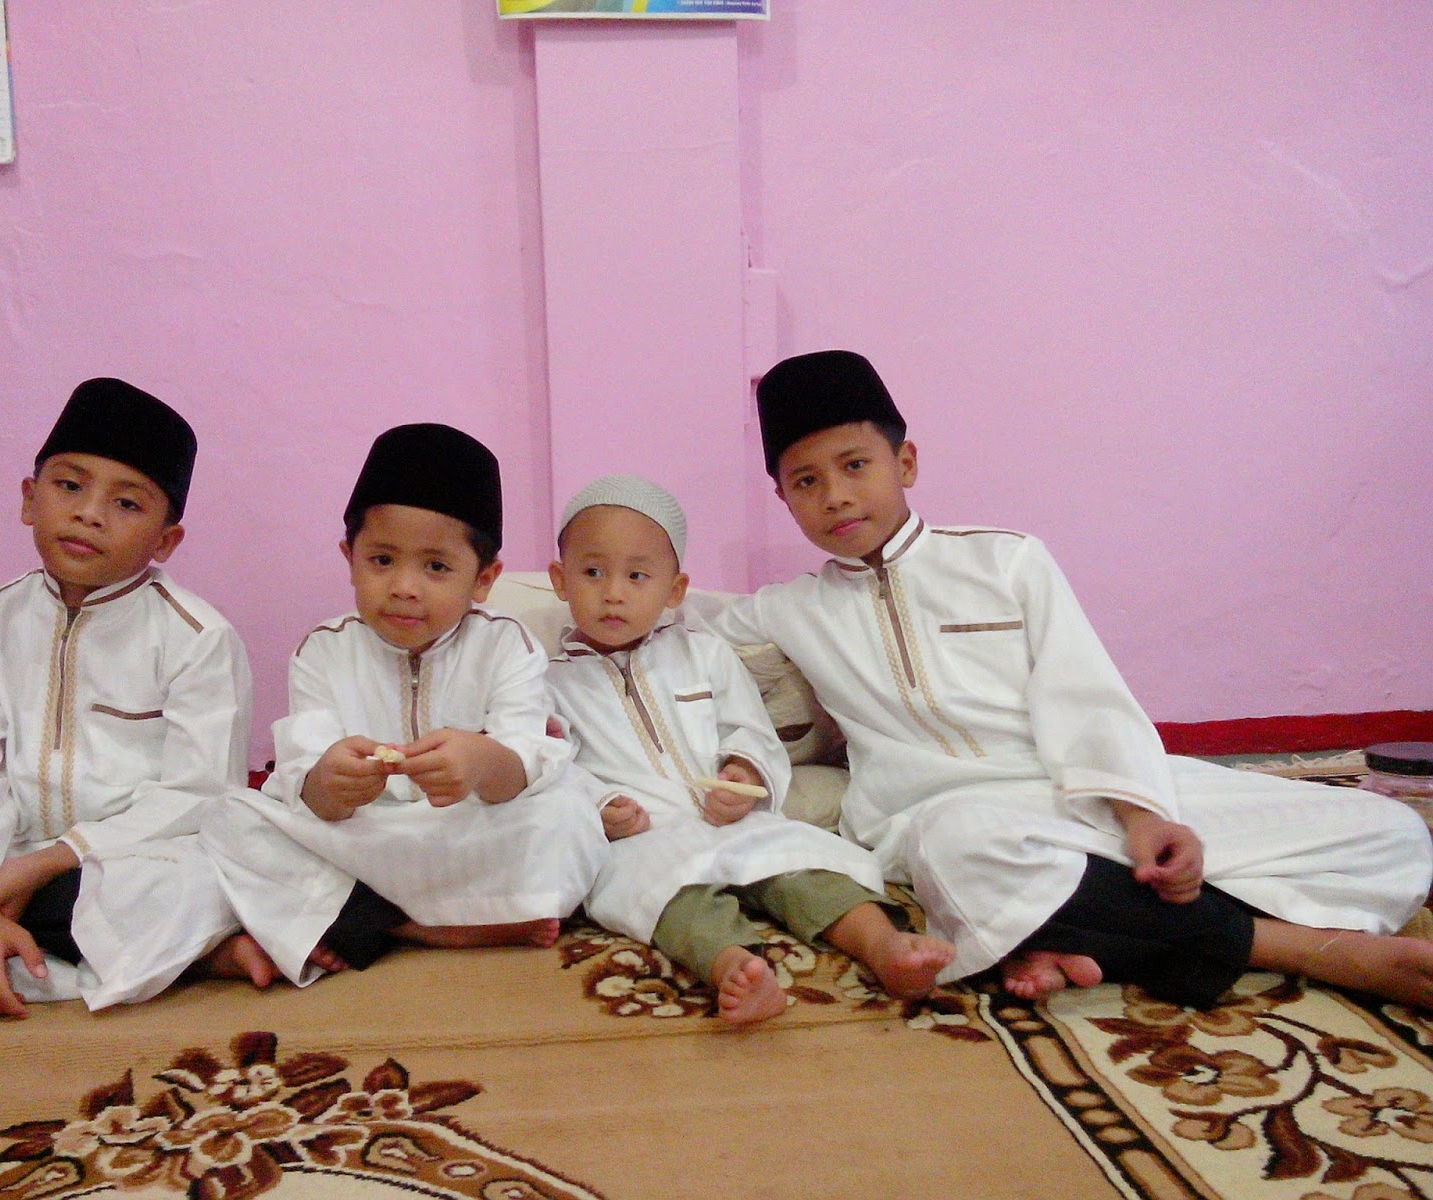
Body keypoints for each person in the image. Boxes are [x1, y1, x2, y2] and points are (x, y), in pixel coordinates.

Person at [698, 349, 1433, 1009]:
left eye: (855, 465)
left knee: (1391, 835)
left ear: (906, 463)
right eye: (806, 481)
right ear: (784, 500)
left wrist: (1142, 816)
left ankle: (1077, 929)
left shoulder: (1006, 561)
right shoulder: (791, 609)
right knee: (965, 852)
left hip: (1083, 797)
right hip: (956, 823)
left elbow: (1086, 698)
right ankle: (1307, 950)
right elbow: (672, 608)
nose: (834, 495)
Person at [0, 378, 268, 1017]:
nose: (89, 513)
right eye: (69, 486)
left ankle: (85, 948)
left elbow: (199, 795)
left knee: (209, 886)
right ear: (29, 498)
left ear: (165, 541)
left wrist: (53, 861)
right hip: (8, 863)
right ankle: (149, 965)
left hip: (131, 865)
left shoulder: (198, 638)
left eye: (126, 503)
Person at [202, 423, 608, 986]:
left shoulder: (505, 644)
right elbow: (304, 784)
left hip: (470, 829)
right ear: (350, 557)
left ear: (484, 579)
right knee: (229, 818)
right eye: (382, 560)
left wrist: (480, 761)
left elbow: (527, 762)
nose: (404, 587)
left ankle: (371, 919)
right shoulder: (323, 650)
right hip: (367, 836)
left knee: (567, 812)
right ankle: (408, 924)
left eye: (436, 567)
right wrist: (328, 782)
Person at [546, 476, 954, 1026]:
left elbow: (750, 730)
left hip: (731, 820)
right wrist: (602, 808)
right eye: (593, 573)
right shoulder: (549, 682)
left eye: (637, 575)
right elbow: (555, 769)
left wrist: (744, 772)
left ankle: (885, 947)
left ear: (674, 590)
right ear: (560, 580)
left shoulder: (706, 655)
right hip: (641, 840)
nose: (613, 592)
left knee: (807, 865)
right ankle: (735, 968)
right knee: (666, 901)